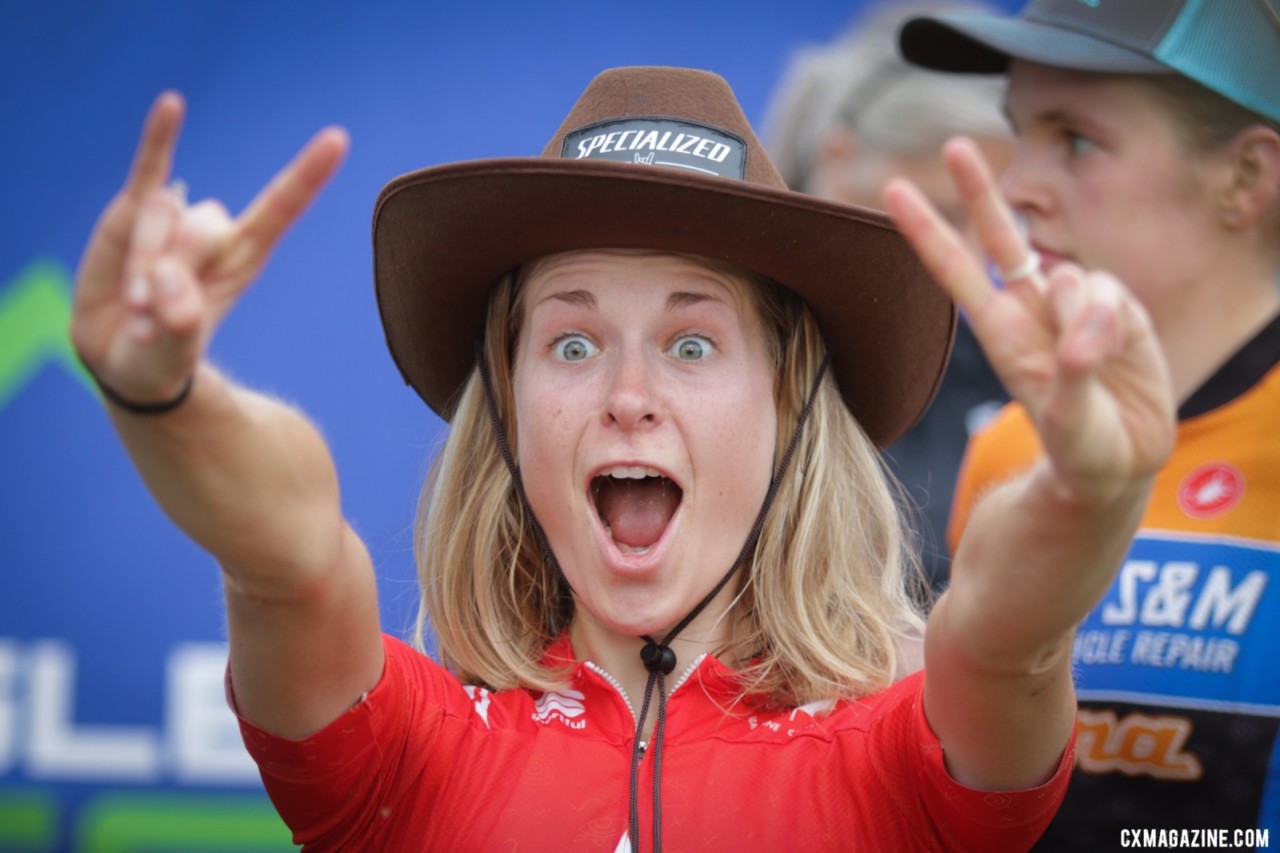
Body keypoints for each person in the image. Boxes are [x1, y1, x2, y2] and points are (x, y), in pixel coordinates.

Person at [69, 64, 1174, 850]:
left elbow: (1007, 640)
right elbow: (290, 555)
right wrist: (165, 391)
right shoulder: (408, 752)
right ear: (504, 403)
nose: (628, 397)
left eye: (693, 343)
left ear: (786, 402)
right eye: (572, 341)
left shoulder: (897, 753)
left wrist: (1095, 484)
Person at [899, 1, 1280, 846]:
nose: (1015, 188)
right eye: (1020, 132)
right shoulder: (1012, 448)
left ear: (1248, 179)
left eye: (1075, 139)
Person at [763, 0, 1014, 592]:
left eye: (1003, 219)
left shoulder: (1000, 378)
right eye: (948, 214)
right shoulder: (720, 339)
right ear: (839, 157)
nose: (978, 258)